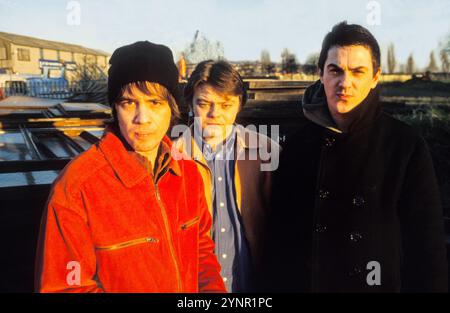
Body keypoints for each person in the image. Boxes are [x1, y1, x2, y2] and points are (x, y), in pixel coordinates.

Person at [263, 21, 448, 292]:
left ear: (375, 77)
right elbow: (278, 244)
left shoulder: (403, 145)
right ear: (321, 74)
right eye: (335, 70)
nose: (344, 83)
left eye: (357, 71)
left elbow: (427, 249)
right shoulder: (297, 148)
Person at [35, 41, 226, 293]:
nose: (142, 118)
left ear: (172, 107)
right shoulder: (76, 188)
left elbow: (202, 256)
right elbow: (64, 287)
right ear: (115, 108)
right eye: (128, 103)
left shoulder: (188, 173)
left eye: (155, 103)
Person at [173, 60, 280, 292]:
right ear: (190, 104)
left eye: (226, 104)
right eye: (204, 103)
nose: (215, 114)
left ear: (240, 104)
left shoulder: (267, 154)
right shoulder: (172, 159)